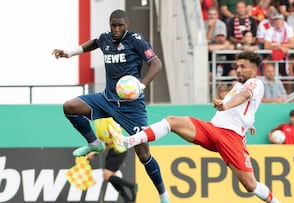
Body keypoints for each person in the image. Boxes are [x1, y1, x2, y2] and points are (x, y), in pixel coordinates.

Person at [111, 51, 282, 203]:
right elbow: (244, 108)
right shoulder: (237, 85)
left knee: (250, 185)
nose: (238, 70)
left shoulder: (255, 83)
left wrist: (225, 106)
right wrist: (247, 121)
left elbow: (244, 97)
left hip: (231, 138)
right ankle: (127, 141)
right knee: (172, 121)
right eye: (237, 66)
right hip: (213, 130)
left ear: (254, 71)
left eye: (243, 67)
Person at [52, 10, 170, 203]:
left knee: (143, 154)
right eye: (113, 25)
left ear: (127, 24)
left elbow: (156, 63)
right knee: (70, 107)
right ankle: (93, 144)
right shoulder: (105, 39)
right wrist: (69, 53)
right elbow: (94, 43)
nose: (116, 29)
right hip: (106, 100)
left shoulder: (136, 40)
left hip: (131, 106)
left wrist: (142, 84)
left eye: (120, 25)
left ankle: (163, 194)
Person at [88, 118, 138, 202]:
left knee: (106, 175)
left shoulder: (109, 119)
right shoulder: (97, 121)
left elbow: (117, 137)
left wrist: (96, 151)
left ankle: (131, 185)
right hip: (112, 150)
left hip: (119, 148)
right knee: (112, 177)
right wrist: (93, 151)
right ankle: (127, 200)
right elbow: (101, 140)